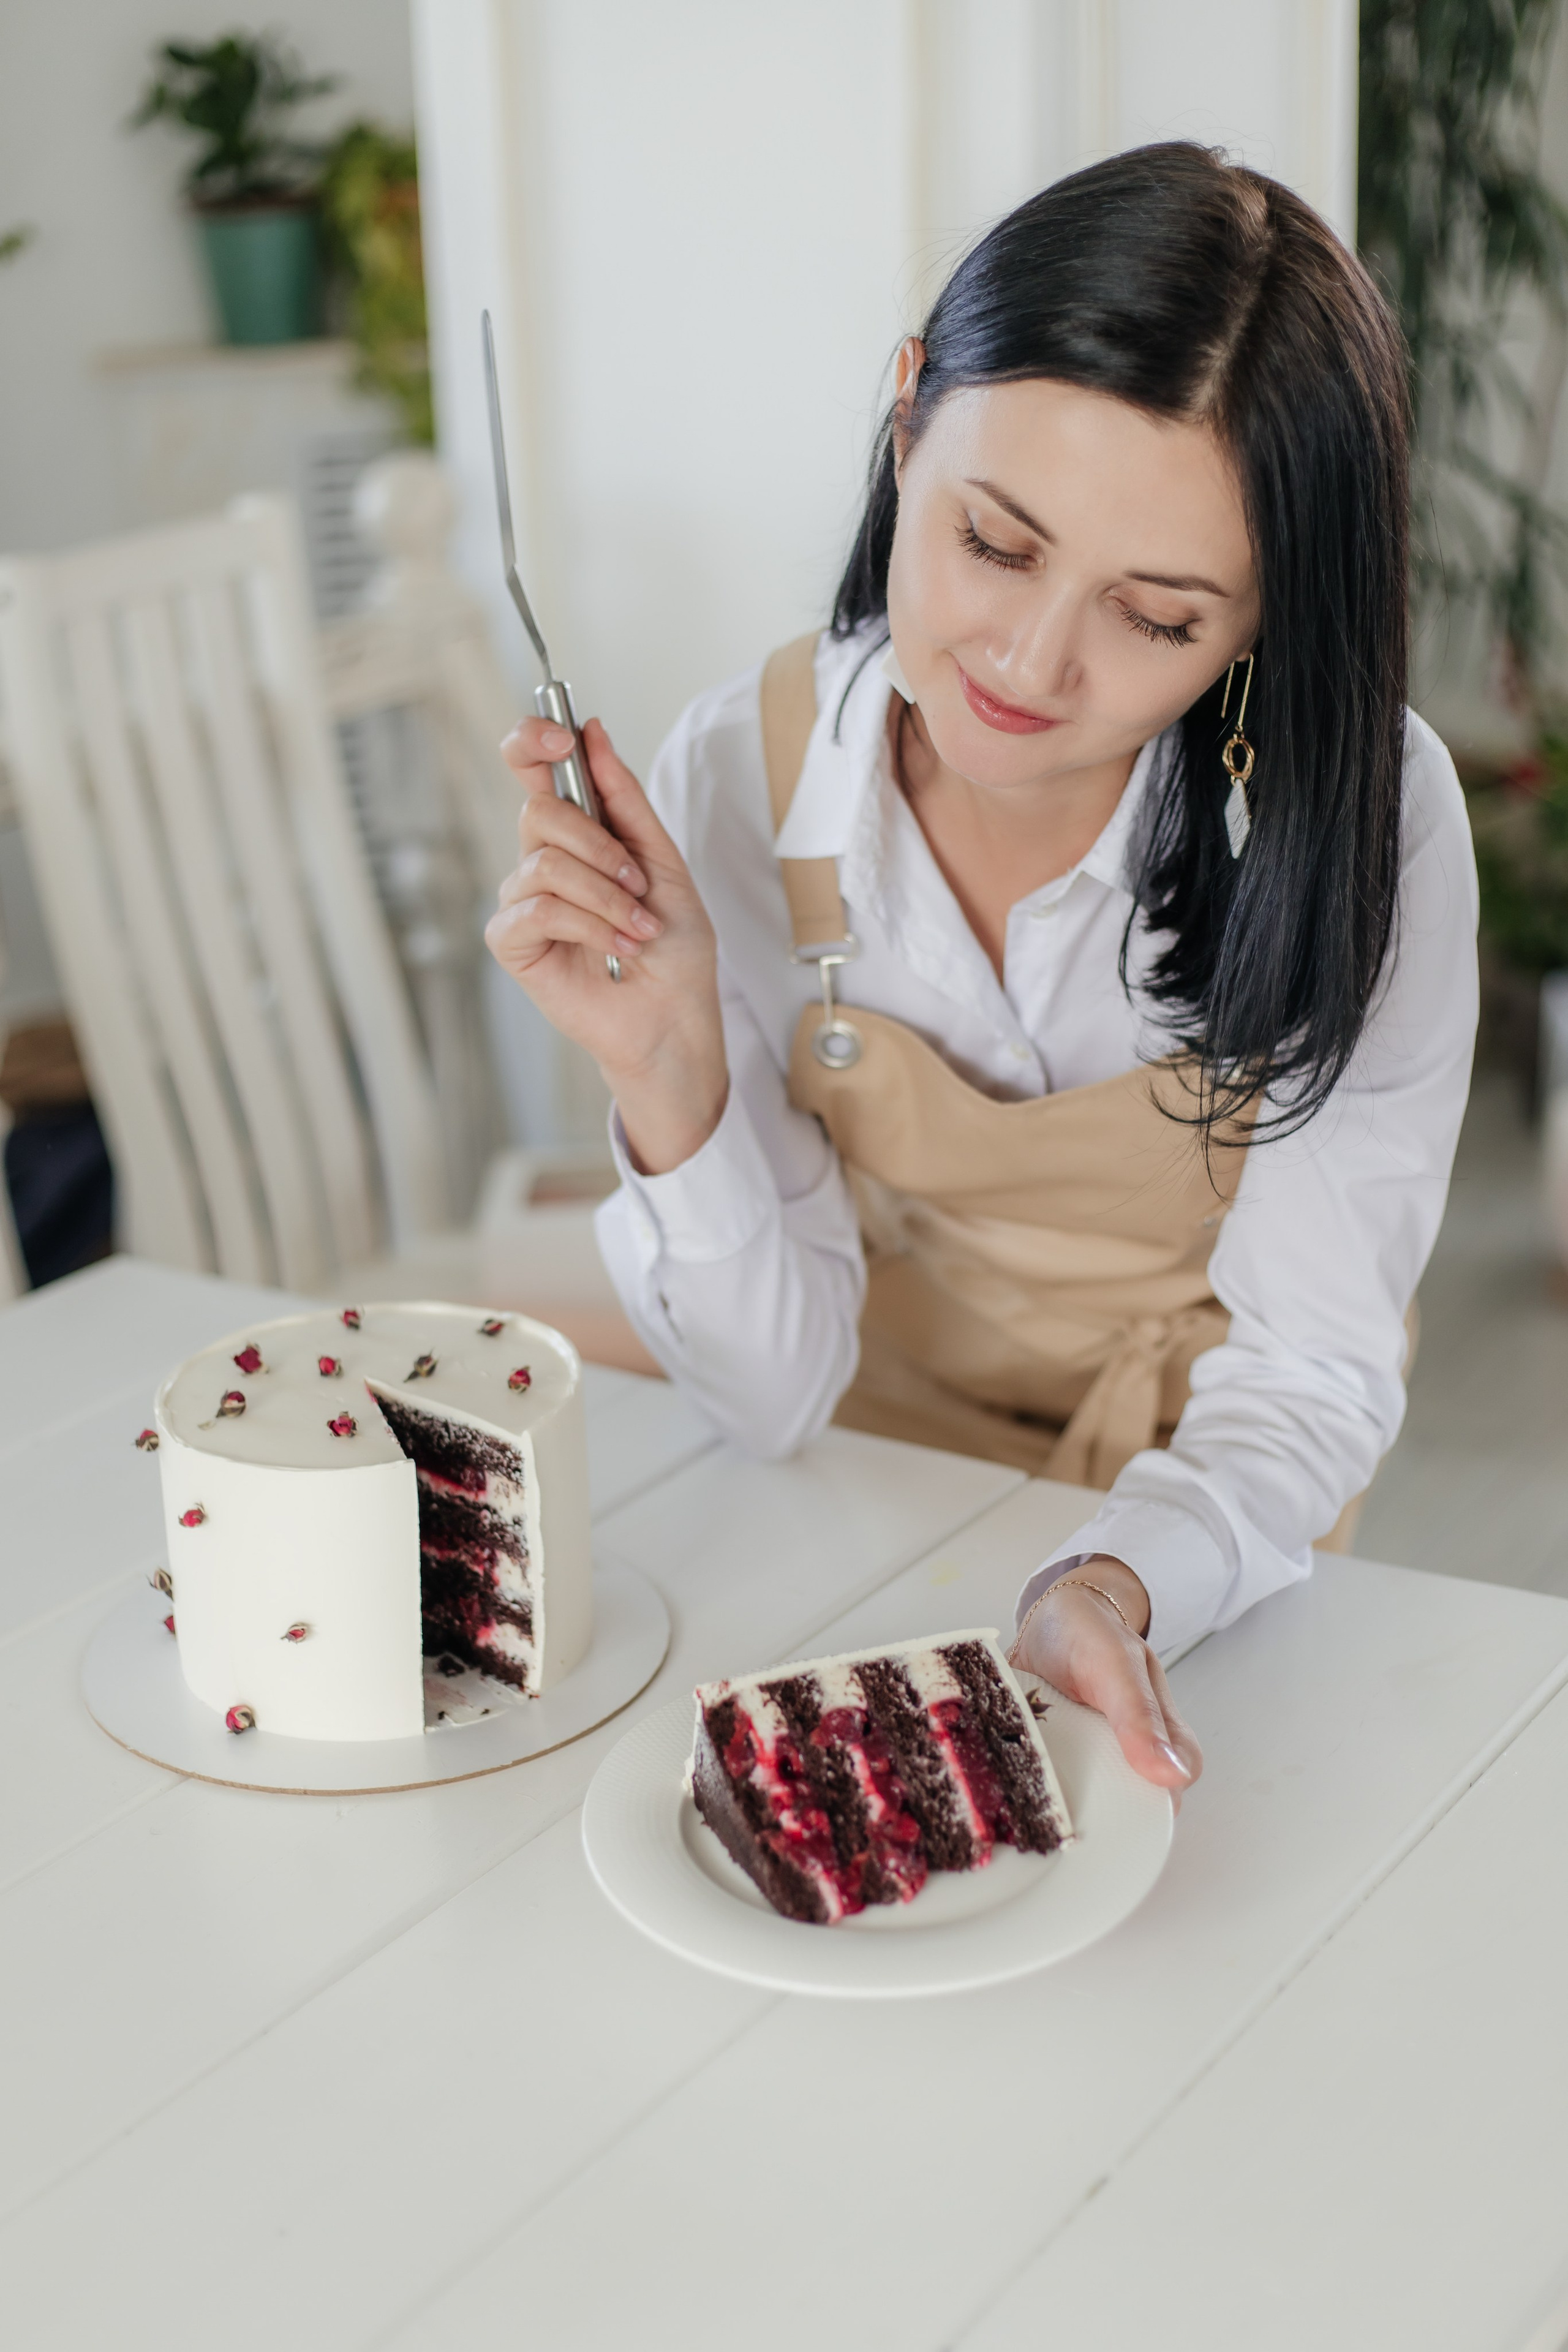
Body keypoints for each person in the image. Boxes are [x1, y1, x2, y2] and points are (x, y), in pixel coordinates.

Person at [485, 143, 1477, 1800]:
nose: (1029, 666)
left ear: (1260, 621)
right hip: (853, 1464)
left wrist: (1115, 1578)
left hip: (1207, 1529)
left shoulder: (1370, 822)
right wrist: (669, 1070)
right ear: (907, 418)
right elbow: (775, 1393)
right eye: (995, 543)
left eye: (1157, 620)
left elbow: (1310, 1365)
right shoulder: (745, 770)